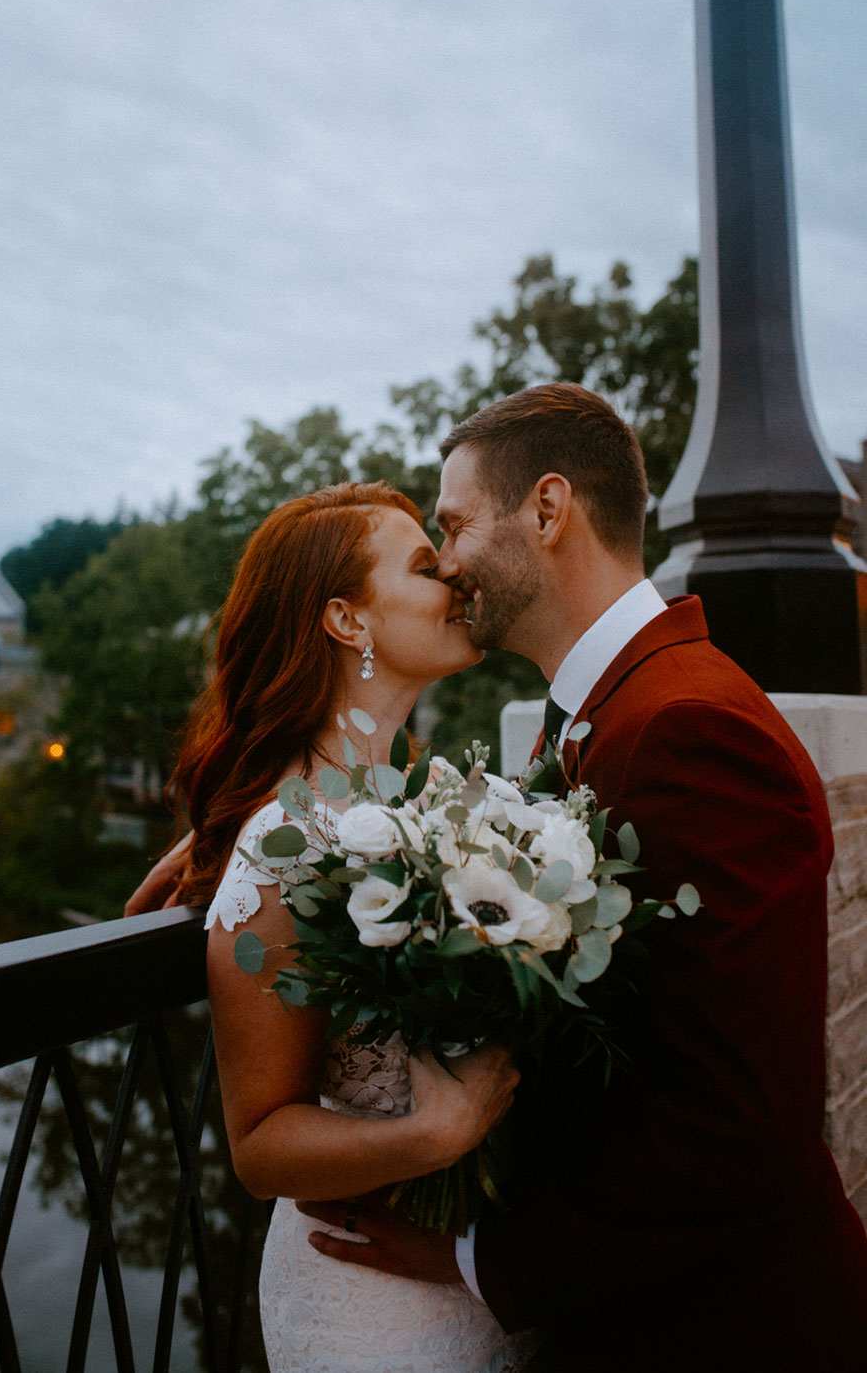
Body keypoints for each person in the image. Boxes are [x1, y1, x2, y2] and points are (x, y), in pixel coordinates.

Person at [292, 385, 867, 1372]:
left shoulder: (688, 726)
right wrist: (275, 837)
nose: (443, 561)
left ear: (548, 510)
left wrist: (485, 1258)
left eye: (455, 524)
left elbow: (740, 1126)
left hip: (727, 1329)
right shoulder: (606, 710)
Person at [131, 480, 537, 1373]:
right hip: (368, 1302)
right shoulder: (284, 851)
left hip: (469, 1276)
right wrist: (436, 1134)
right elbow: (260, 1143)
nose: (458, 576)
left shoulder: (429, 803)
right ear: (347, 623)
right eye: (427, 567)